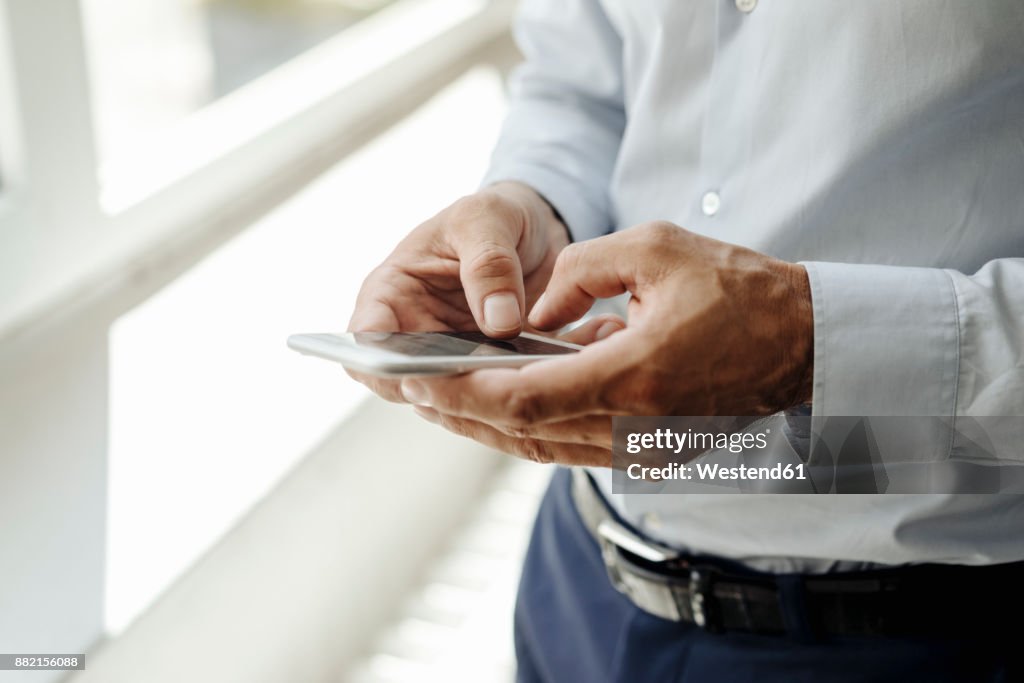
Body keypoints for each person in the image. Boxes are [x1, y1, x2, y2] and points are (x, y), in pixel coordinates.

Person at [348, 1, 1024, 680]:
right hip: (580, 579)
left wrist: (810, 340)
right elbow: (582, 78)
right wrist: (536, 204)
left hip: (939, 634)